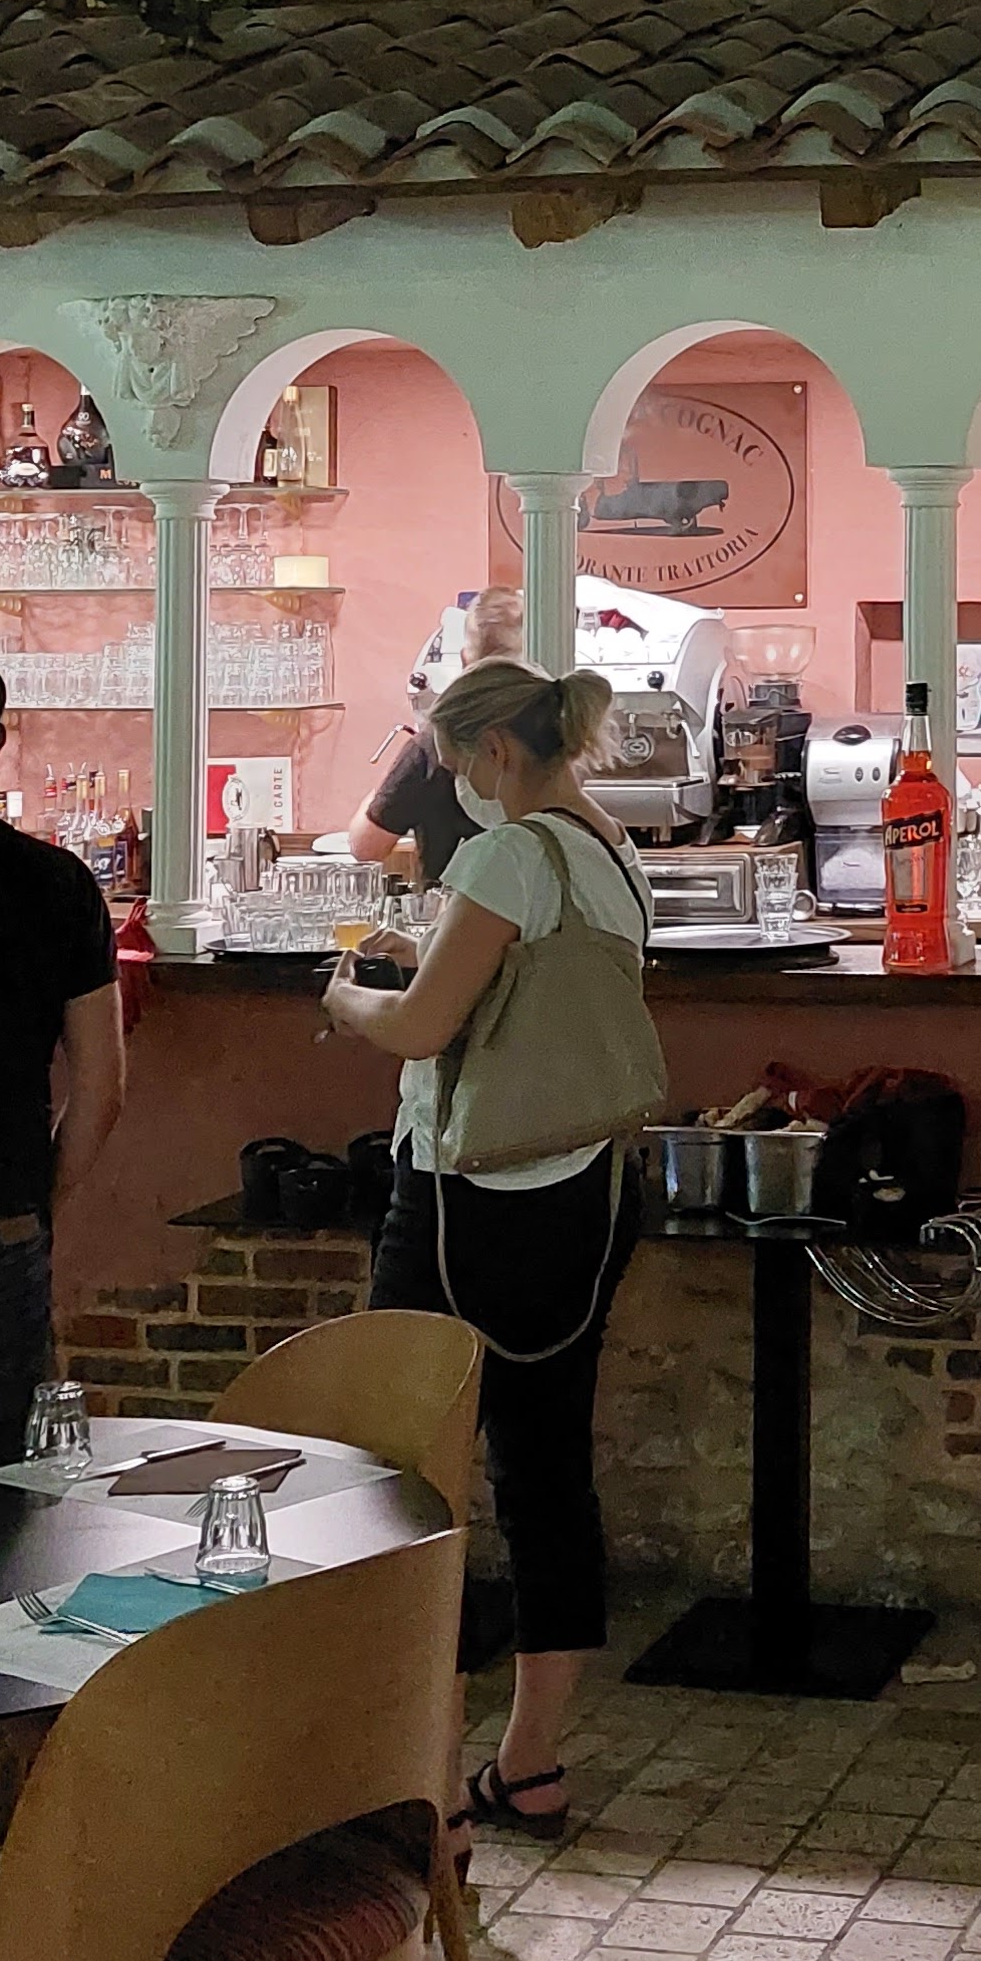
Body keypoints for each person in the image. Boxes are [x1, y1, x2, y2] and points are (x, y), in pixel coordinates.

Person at [323, 653, 650, 1850]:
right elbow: (515, 993)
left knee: (405, 1472)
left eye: (457, 763)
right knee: (547, 1467)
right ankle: (530, 1764)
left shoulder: (509, 852)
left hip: (469, 1199)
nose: (455, 785)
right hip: (587, 1186)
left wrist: (349, 999)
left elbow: (423, 1027)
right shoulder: (609, 848)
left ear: (494, 751)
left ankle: (427, 1781)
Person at [0, 670, 126, 1461]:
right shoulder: (56, 886)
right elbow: (102, 1087)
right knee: (11, 1497)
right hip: (1, 1222)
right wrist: (34, 1205)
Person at [346, 584, 524, 889]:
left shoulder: (436, 743)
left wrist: (384, 786)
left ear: (465, 660)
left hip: (454, 906)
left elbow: (366, 847)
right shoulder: (552, 734)